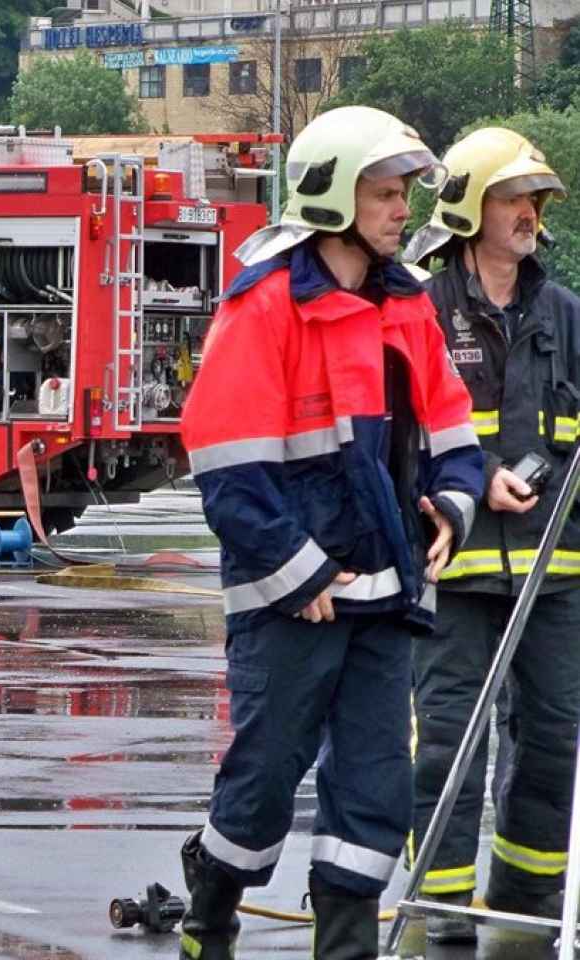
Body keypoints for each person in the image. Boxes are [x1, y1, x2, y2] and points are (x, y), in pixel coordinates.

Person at [174, 106, 485, 959]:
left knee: (375, 789)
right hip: (291, 604)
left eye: (403, 194)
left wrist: (452, 508)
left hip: (386, 600)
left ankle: (344, 949)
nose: (402, 211)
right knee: (265, 784)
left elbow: (455, 435)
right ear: (333, 199)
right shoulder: (266, 307)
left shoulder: (407, 308)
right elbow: (227, 467)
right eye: (386, 194)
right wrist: (302, 573)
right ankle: (210, 917)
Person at [400, 127, 580, 939]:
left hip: (555, 567)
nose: (529, 215)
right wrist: (476, 475)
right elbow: (396, 434)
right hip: (454, 564)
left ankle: (527, 897)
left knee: (550, 733)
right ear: (472, 209)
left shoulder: (565, 314)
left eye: (536, 201)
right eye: (514, 199)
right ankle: (442, 903)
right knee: (447, 738)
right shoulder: (420, 311)